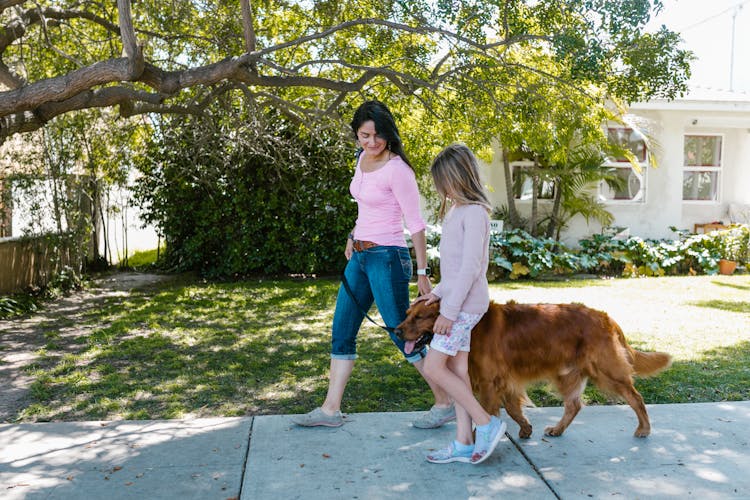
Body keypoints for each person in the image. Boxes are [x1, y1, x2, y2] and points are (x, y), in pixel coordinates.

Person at [292, 100, 453, 429]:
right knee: (342, 331)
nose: (372, 142)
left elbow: (416, 223)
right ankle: (330, 410)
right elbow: (366, 207)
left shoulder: (398, 170)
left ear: (389, 134)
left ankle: (445, 401)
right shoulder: (361, 159)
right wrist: (353, 234)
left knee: (402, 332)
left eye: (378, 135)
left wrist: (422, 273)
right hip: (361, 256)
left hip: (388, 257)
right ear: (356, 135)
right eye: (365, 135)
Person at [415, 143, 506, 464]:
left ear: (459, 177)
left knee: (433, 366)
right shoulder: (457, 211)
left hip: (466, 307)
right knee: (456, 370)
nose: (443, 191)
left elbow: (471, 268)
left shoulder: (475, 213)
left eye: (445, 184)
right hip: (456, 301)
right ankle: (463, 442)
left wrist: (449, 313)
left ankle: (486, 422)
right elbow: (455, 270)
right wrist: (436, 294)